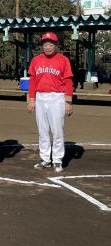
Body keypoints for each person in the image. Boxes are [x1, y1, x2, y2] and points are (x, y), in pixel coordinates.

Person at [27, 32, 73, 173]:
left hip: (57, 97)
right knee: (43, 130)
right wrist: (31, 99)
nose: (48, 47)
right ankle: (45, 159)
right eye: (45, 44)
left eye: (50, 44)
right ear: (42, 45)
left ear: (55, 45)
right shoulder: (36, 60)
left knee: (57, 130)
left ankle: (57, 160)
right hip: (40, 97)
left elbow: (68, 81)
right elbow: (33, 81)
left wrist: (68, 102)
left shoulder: (63, 60)